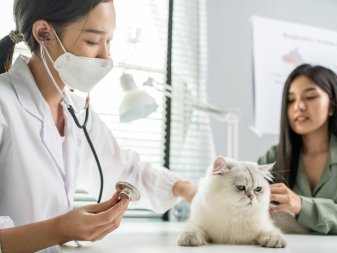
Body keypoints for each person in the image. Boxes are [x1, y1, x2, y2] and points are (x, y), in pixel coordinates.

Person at [0, 1, 197, 252]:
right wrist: (61, 229)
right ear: (44, 34)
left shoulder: (76, 112)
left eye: (109, 42)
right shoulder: (4, 104)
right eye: (93, 42)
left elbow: (123, 168)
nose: (106, 57)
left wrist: (186, 189)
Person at [257, 64, 337, 237]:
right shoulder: (273, 157)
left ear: (332, 106)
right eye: (291, 100)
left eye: (310, 96)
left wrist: (303, 206)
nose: (299, 106)